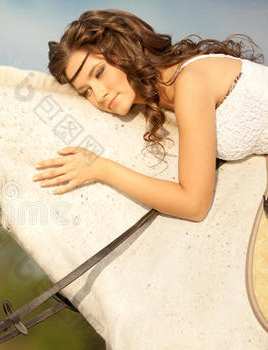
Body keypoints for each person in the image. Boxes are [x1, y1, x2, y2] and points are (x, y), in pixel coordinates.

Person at [32, 9, 267, 221]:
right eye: (86, 91)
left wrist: (101, 169)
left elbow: (194, 204)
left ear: (124, 49)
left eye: (100, 73)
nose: (99, 94)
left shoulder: (189, 83)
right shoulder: (167, 95)